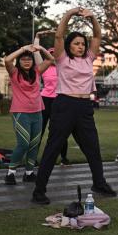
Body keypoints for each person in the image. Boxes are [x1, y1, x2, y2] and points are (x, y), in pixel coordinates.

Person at [32, 7, 116, 205]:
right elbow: (60, 35)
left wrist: (93, 17)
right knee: (53, 149)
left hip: (85, 107)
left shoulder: (88, 59)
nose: (80, 46)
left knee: (93, 148)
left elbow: (97, 35)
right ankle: (39, 191)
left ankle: (99, 183)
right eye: (76, 43)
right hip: (64, 105)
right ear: (69, 46)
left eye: (82, 44)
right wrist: (69, 14)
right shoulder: (61, 59)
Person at [3, 44, 55, 185]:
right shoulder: (14, 72)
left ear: (32, 61)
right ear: (19, 62)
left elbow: (50, 59)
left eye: (29, 59)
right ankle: (10, 173)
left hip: (37, 111)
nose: (26, 61)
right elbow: (7, 60)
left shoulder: (37, 71)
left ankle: (29, 173)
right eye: (23, 59)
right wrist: (23, 49)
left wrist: (40, 49)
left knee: (34, 144)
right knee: (23, 143)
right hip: (21, 113)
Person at [34, 30, 75, 166]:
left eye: (54, 54)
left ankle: (64, 158)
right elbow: (35, 52)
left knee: (60, 131)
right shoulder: (43, 67)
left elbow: (66, 49)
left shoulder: (63, 67)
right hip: (45, 100)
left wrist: (60, 37)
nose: (52, 56)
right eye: (49, 54)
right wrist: (37, 38)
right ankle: (33, 159)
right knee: (40, 131)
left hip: (60, 101)